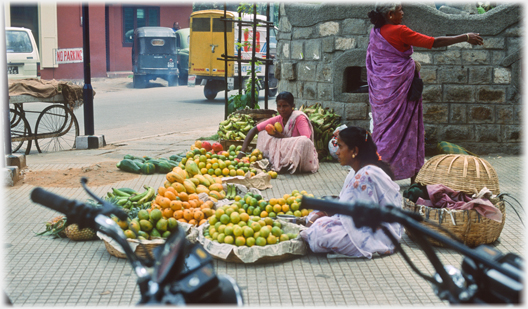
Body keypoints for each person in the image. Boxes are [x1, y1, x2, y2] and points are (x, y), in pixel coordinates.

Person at [366, 2, 483, 183]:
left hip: (383, 92)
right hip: (400, 91)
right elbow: (433, 42)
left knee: (384, 132)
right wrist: (465, 37)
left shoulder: (376, 32)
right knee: (408, 130)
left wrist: (409, 66)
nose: (403, 13)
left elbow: (380, 64)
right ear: (390, 15)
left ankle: (377, 172)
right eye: (399, 10)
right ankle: (399, 174)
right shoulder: (399, 31)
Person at [300, 126, 402, 258]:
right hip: (367, 225)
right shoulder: (357, 171)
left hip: (377, 234)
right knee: (315, 215)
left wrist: (326, 218)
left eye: (341, 147)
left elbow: (360, 218)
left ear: (354, 151)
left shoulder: (365, 175)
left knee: (319, 233)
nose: (337, 152)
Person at [237, 91, 319, 174]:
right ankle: (275, 162)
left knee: (303, 141)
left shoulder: (299, 118)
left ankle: (290, 165)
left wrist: (282, 137)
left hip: (300, 155)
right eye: (279, 106)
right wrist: (242, 151)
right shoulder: (278, 119)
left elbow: (307, 141)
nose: (282, 109)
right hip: (285, 153)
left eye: (285, 106)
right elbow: (255, 129)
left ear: (292, 106)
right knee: (263, 132)